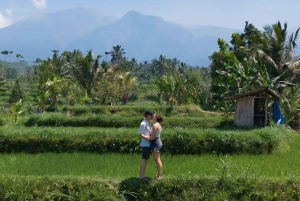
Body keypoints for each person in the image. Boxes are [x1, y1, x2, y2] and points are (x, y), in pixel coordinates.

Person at [138, 110, 154, 180]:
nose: (152, 117)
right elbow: (140, 134)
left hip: (148, 144)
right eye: (151, 115)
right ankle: (141, 176)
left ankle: (143, 175)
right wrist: (148, 138)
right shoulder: (143, 123)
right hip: (145, 144)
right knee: (144, 159)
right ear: (148, 115)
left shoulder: (148, 123)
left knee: (146, 159)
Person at [150, 113, 163, 180]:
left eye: (154, 116)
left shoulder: (155, 125)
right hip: (158, 141)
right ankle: (159, 175)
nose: (153, 117)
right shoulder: (159, 125)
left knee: (157, 160)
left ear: (156, 118)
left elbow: (152, 136)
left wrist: (144, 136)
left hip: (155, 142)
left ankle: (159, 176)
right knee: (157, 159)